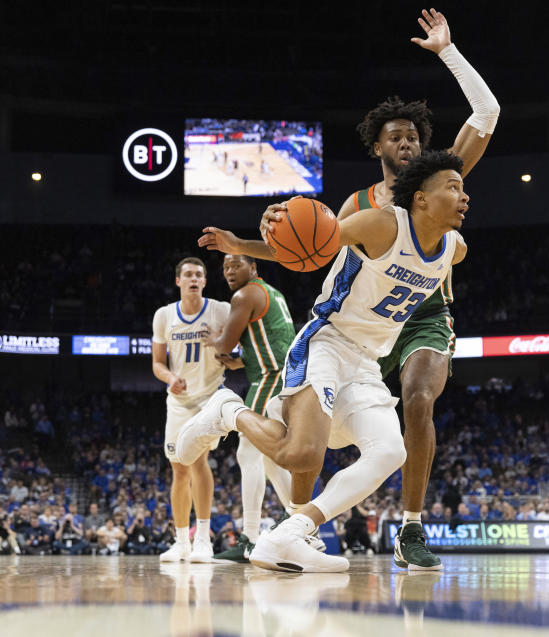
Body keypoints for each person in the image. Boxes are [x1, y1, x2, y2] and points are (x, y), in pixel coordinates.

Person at [188, 150, 468, 572]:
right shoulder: (382, 223)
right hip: (327, 341)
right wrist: (246, 241)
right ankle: (227, 410)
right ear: (421, 200)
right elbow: (311, 243)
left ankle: (292, 532)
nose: (464, 196)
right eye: (453, 187)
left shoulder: (455, 249)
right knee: (301, 456)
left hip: (367, 363)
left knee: (391, 451)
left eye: (463, 188)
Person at [334, 7, 498, 571]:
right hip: (364, 324)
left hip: (426, 314)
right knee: (323, 431)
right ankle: (302, 522)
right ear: (376, 146)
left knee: (419, 398)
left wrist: (447, 52)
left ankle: (411, 527)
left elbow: (487, 111)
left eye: (412, 135)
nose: (405, 141)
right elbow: (329, 271)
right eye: (394, 135)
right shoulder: (355, 207)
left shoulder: (438, 183)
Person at [204, 254, 296, 563]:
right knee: (270, 458)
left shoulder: (245, 295)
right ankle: (301, 525)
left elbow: (225, 343)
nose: (229, 271)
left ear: (253, 268)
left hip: (271, 377)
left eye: (236, 265)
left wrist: (212, 339)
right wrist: (241, 361)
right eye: (225, 267)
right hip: (286, 373)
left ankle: (250, 538)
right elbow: (272, 339)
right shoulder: (273, 293)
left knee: (248, 449)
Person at [151, 257, 231, 564]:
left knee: (198, 461)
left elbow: (239, 344)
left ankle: (203, 540)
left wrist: (223, 345)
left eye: (199, 274)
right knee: (179, 469)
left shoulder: (220, 310)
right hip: (179, 402)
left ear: (205, 281)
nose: (194, 278)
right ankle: (181, 541)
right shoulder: (164, 315)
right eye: (188, 274)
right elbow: (158, 363)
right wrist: (171, 378)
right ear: (179, 281)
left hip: (209, 398)